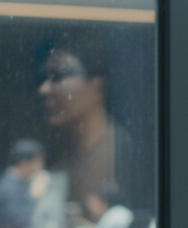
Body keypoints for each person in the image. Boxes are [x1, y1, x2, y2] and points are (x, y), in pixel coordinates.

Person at [38, 47, 132, 206]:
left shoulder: (120, 151)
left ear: (96, 85)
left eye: (58, 76)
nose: (44, 89)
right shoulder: (63, 154)